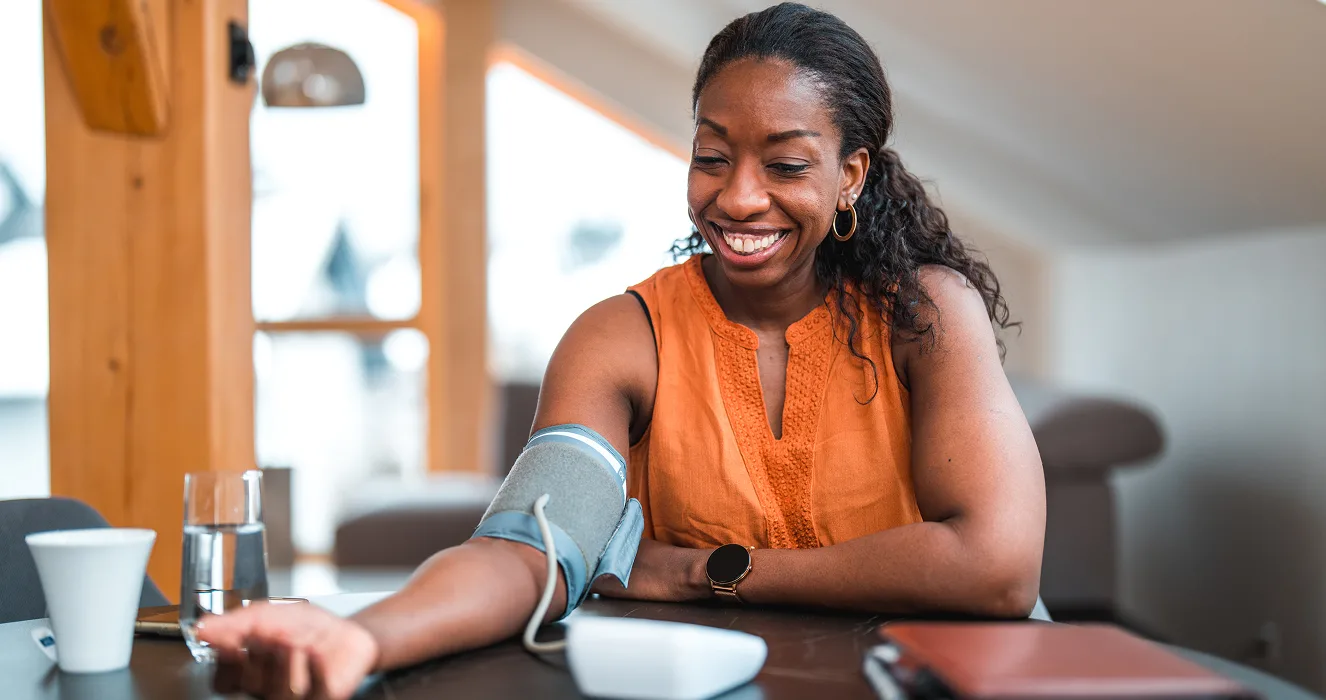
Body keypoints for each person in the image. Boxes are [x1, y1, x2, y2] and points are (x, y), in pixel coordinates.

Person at [199, 3, 1045, 697]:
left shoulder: (925, 312)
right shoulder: (624, 336)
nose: (738, 196)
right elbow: (526, 551)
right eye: (712, 156)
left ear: (851, 175)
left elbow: (995, 567)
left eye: (786, 164)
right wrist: (358, 638)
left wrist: (708, 573)